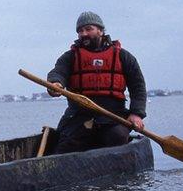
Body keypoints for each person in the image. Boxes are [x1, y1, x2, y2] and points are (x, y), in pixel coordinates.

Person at [46, 12, 146, 154]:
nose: (84, 34)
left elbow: (138, 87)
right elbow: (58, 72)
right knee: (65, 146)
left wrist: (137, 113)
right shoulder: (70, 57)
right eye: (80, 31)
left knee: (118, 137)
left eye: (88, 29)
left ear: (100, 30)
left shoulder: (123, 56)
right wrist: (55, 84)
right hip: (78, 116)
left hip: (113, 116)